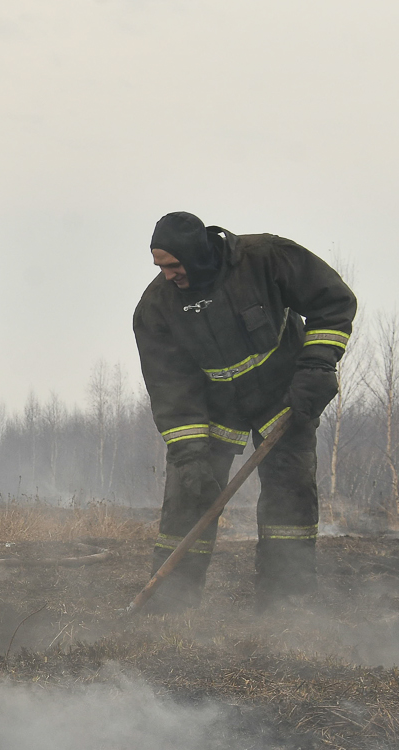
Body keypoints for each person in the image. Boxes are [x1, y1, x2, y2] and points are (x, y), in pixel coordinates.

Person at [133, 213, 356, 610]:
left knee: (291, 493)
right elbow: (170, 387)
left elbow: (334, 300)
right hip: (215, 410)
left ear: (197, 255)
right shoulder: (156, 309)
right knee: (190, 492)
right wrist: (189, 454)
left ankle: (286, 600)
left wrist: (318, 365)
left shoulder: (265, 258)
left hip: (285, 398)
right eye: (160, 267)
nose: (168, 275)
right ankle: (170, 605)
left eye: (173, 265)